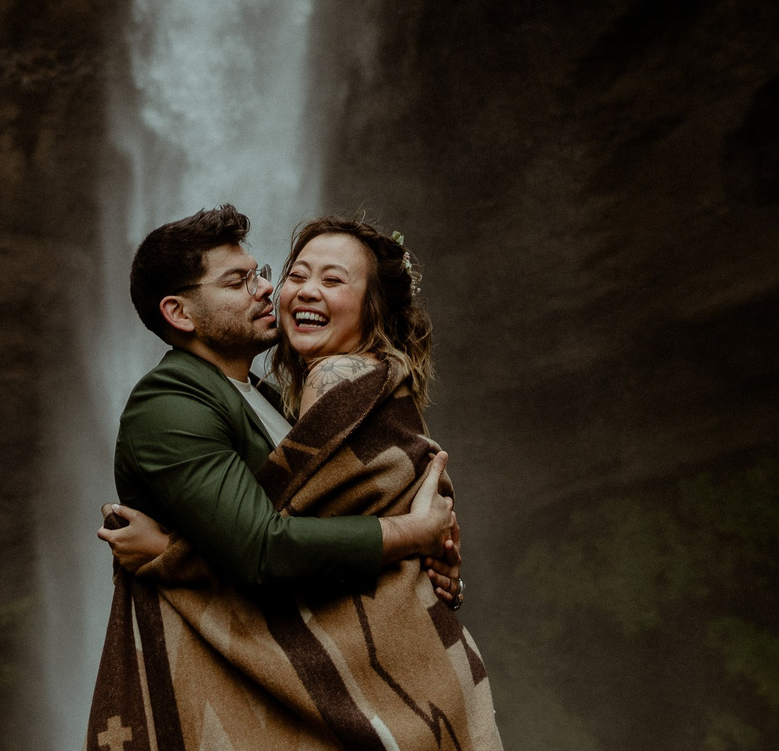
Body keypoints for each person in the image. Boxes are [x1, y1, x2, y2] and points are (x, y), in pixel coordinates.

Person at [85, 207, 504, 751]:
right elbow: (263, 551)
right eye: (239, 281)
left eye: (261, 274)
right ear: (179, 313)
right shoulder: (167, 403)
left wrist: (174, 550)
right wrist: (415, 534)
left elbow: (324, 513)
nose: (267, 289)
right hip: (245, 698)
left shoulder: (271, 394)